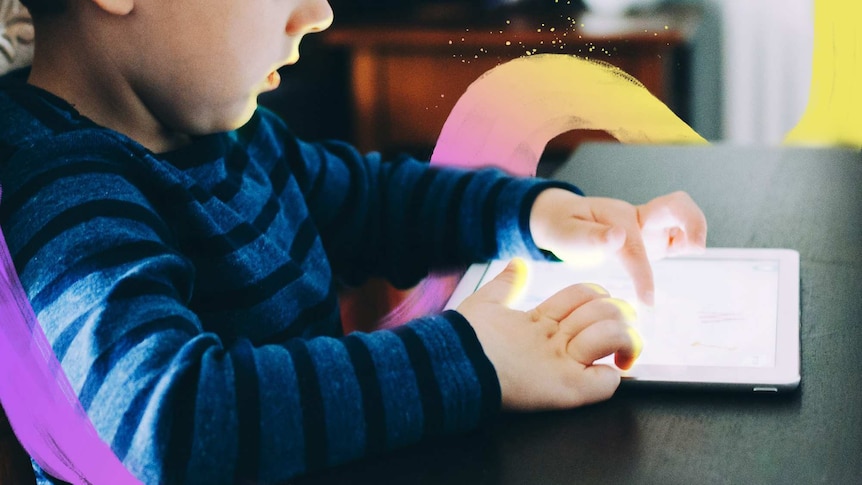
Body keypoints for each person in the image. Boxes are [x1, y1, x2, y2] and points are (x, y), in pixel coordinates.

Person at [0, 0, 707, 483]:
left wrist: (541, 216)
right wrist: (473, 356)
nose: (319, 13)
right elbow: (166, 420)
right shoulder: (57, 186)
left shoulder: (235, 138)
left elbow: (376, 202)